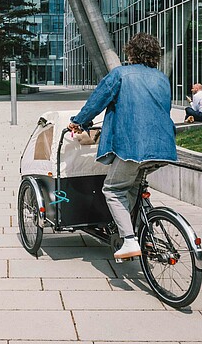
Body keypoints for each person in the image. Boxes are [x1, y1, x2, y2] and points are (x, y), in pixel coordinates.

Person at [67, 33, 177, 260]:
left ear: (131, 53)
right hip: (163, 147)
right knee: (133, 188)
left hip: (133, 146)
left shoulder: (120, 74)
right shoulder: (161, 78)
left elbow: (96, 102)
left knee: (114, 190)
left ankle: (129, 240)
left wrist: (78, 122)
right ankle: (139, 232)